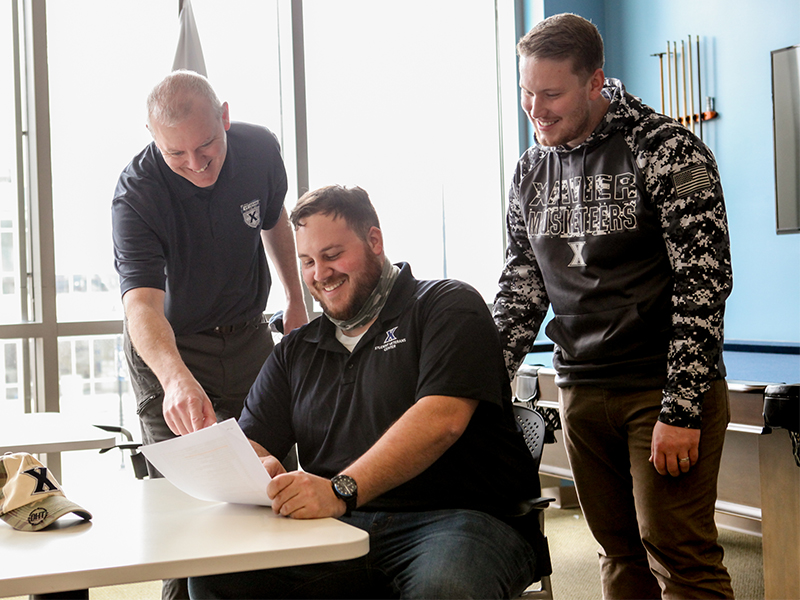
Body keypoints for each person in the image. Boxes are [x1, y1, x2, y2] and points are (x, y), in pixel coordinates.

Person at [188, 185, 548, 600]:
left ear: (374, 241)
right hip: (339, 530)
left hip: (462, 519)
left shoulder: (447, 306)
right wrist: (257, 467)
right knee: (215, 577)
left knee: (443, 591)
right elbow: (251, 443)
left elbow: (442, 420)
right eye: (307, 261)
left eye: (332, 255)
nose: (320, 274)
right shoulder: (296, 349)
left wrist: (341, 489)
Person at [493, 13, 734, 599]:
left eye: (551, 93)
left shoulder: (669, 150)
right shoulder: (530, 169)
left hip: (658, 388)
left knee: (679, 554)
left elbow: (703, 287)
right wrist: (482, 383)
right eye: (527, 92)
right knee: (618, 556)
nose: (535, 108)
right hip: (579, 387)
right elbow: (522, 286)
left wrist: (681, 409)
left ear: (596, 82)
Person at [112, 70, 307, 599]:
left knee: (273, 487)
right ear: (153, 138)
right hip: (171, 349)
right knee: (187, 509)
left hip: (248, 338)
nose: (197, 165)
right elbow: (142, 307)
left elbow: (275, 222)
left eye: (206, 146)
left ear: (224, 117)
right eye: (177, 154)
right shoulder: (137, 195)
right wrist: (175, 379)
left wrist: (294, 297)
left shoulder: (259, 149)